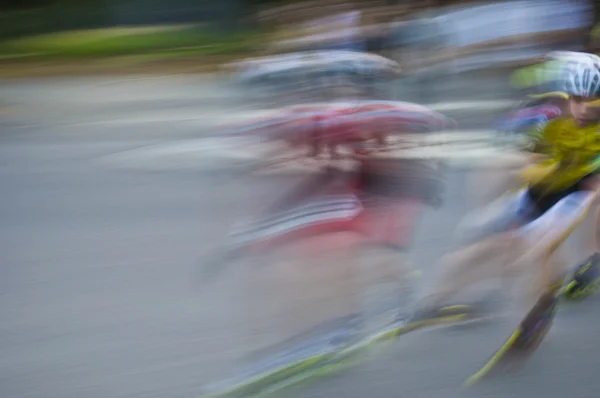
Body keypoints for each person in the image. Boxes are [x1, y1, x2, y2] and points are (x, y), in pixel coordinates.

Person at [407, 52, 600, 327]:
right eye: (577, 101)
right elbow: (509, 162)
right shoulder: (545, 116)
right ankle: (429, 303)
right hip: (532, 193)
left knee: (534, 252)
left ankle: (537, 308)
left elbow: (591, 192)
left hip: (568, 197)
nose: (584, 110)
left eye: (592, 104)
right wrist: (494, 194)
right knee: (476, 247)